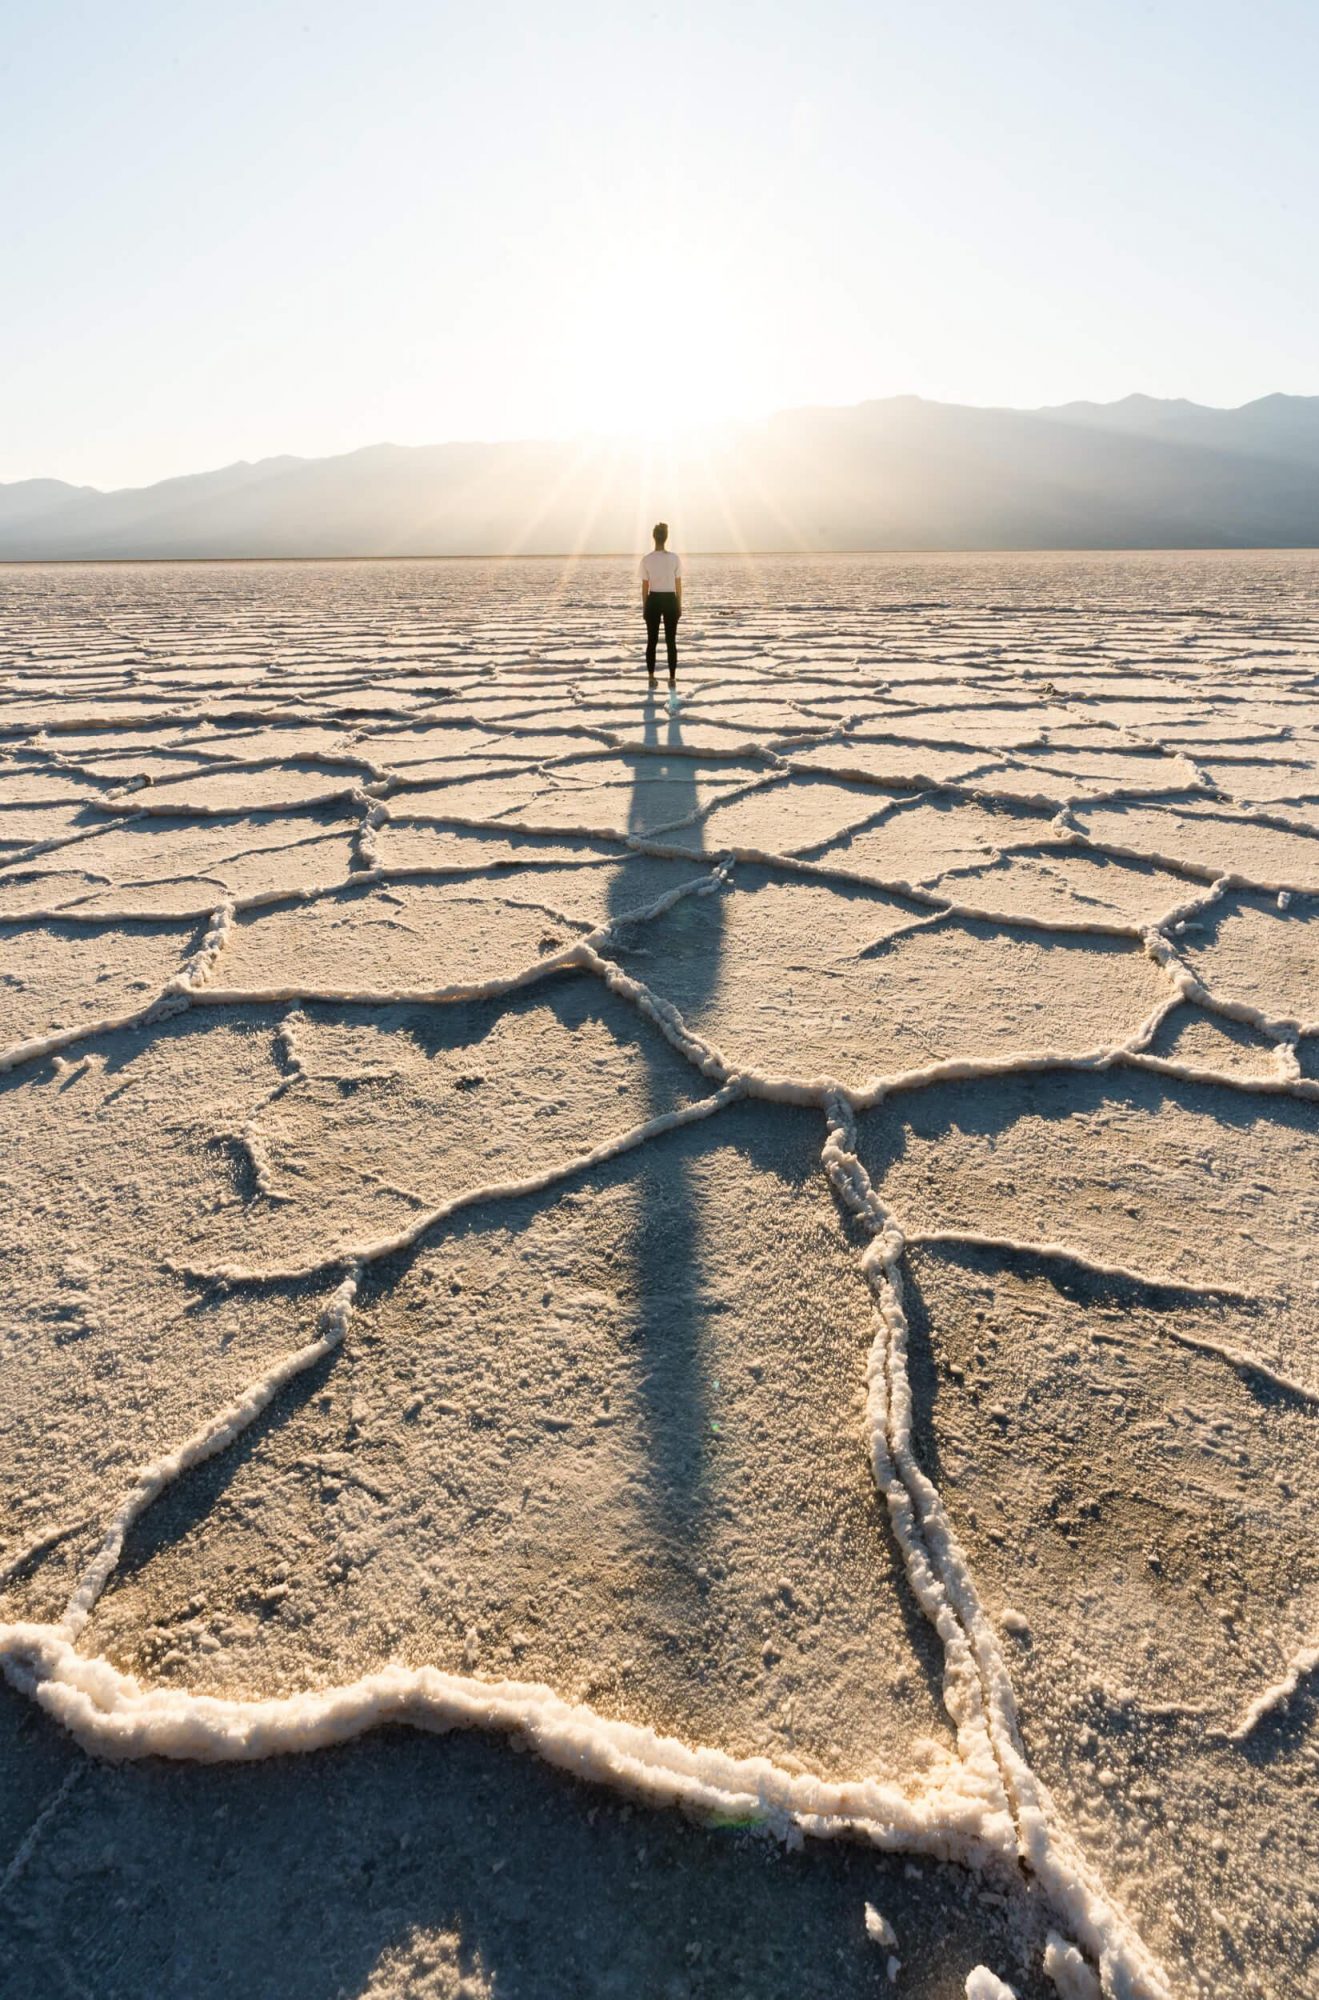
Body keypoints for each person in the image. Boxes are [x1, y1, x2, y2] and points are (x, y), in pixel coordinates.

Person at [639, 522, 682, 689]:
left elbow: (645, 586)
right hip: (670, 599)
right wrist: (679, 604)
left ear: (654, 537)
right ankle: (672, 678)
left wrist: (645, 606)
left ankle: (651, 677)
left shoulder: (647, 559)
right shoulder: (674, 558)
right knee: (671, 641)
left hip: (654, 599)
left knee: (652, 640)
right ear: (666, 538)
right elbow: (678, 584)